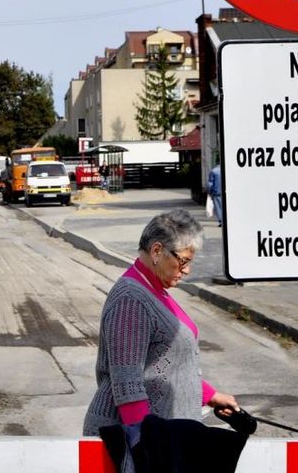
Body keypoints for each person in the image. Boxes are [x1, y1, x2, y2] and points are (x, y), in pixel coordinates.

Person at [83, 210, 239, 445]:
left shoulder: (153, 289)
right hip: (139, 443)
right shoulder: (131, 299)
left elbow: (165, 363)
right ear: (157, 251)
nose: (187, 270)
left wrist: (210, 396)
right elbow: (128, 387)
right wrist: (149, 451)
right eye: (183, 261)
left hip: (167, 435)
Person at [207, 163, 224, 227]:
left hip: (217, 192)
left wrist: (209, 192)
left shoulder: (213, 171)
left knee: (218, 207)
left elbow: (210, 183)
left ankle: (221, 221)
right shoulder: (226, 170)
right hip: (226, 192)